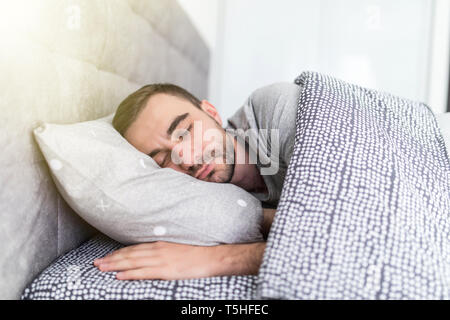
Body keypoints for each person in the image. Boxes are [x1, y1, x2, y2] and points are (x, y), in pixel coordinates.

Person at [93, 82, 302, 280]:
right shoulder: (213, 203)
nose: (186, 159)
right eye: (163, 159)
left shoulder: (275, 109)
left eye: (185, 132)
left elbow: (329, 231)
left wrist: (218, 259)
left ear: (211, 112)